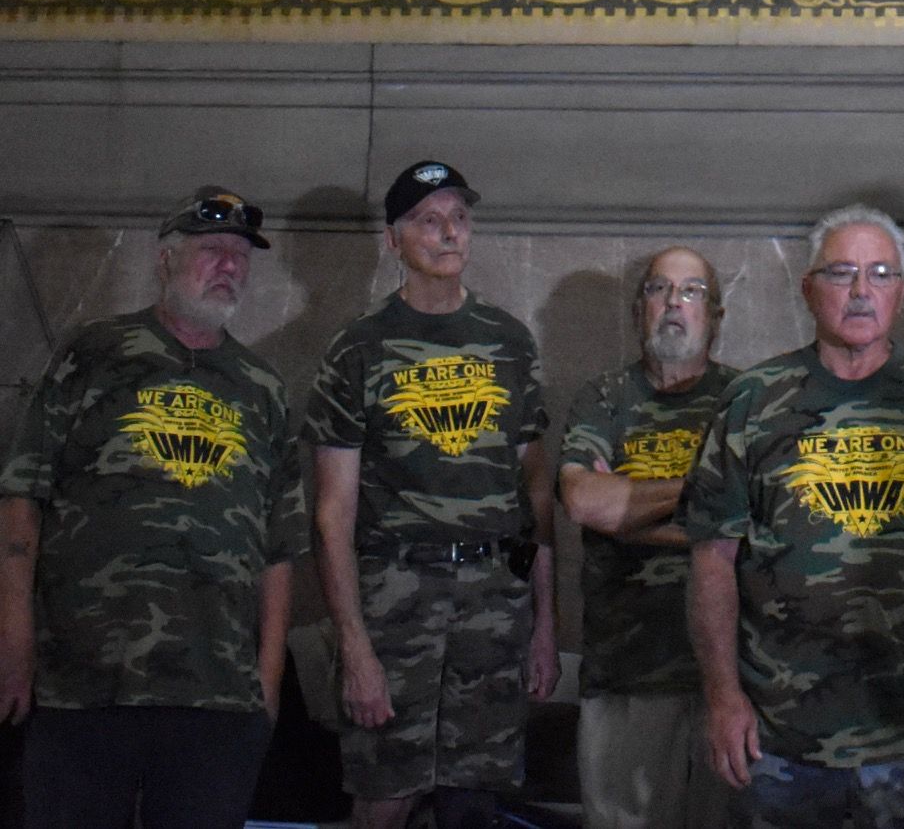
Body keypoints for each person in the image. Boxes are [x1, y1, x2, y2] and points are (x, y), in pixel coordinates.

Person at [684, 204, 904, 829]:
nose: (862, 292)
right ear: (809, 288)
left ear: (902, 289)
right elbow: (712, 559)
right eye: (842, 274)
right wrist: (722, 696)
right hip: (779, 737)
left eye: (880, 274)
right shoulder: (754, 399)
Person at [0, 190, 302, 829]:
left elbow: (280, 549)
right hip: (85, 680)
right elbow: (22, 498)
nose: (229, 266)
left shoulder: (263, 387)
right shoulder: (94, 353)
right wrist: (15, 643)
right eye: (212, 250)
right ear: (165, 259)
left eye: (240, 256)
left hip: (216, 689)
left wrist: (267, 684)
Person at [304, 161, 558, 829]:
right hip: (397, 598)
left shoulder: (508, 343)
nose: (449, 234)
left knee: (478, 796)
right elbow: (332, 512)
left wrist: (545, 624)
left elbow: (536, 488)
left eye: (459, 218)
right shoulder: (357, 349)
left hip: (494, 601)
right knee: (385, 791)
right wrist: (354, 648)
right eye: (428, 220)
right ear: (395, 240)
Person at [558, 246, 742, 829]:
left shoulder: (748, 400)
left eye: (691, 292)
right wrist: (709, 504)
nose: (673, 304)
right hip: (625, 672)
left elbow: (761, 520)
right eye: (659, 290)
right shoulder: (605, 397)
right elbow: (586, 502)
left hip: (730, 679)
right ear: (639, 308)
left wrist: (632, 510)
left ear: (715, 314)